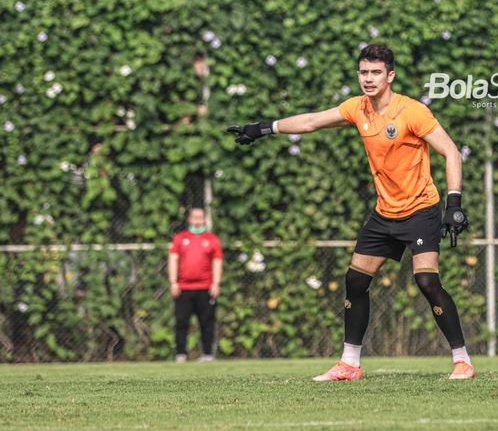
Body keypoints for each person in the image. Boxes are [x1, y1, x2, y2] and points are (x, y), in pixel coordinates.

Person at [227, 44, 474, 380]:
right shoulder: (357, 108)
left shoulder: (412, 112)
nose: (368, 79)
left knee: (427, 280)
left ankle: (462, 360)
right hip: (384, 213)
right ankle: (349, 363)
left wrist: (454, 204)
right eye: (363, 72)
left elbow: (451, 152)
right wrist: (264, 127)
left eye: (375, 73)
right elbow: (313, 121)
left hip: (421, 209)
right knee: (355, 280)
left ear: (390, 76)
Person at [168, 208, 223, 362]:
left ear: (204, 220)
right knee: (181, 323)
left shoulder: (212, 239)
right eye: (195, 218)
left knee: (207, 322)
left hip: (205, 288)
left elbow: (217, 262)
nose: (197, 221)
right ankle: (181, 354)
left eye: (200, 218)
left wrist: (216, 283)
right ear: (189, 219)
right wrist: (173, 282)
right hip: (183, 289)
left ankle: (207, 354)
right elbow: (173, 260)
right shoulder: (180, 238)